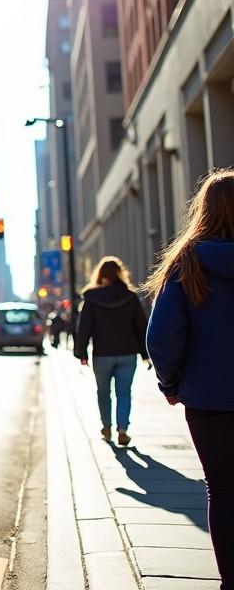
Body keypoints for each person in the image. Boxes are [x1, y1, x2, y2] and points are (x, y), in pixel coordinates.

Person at [144, 168, 234, 590]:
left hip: (208, 398)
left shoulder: (188, 262)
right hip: (207, 396)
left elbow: (161, 337)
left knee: (222, 487)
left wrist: (171, 384)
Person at [74, 256, 150, 447]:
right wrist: (145, 354)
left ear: (100, 274)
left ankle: (106, 427)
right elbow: (141, 327)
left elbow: (84, 328)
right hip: (127, 353)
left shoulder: (91, 298)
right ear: (119, 274)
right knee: (124, 393)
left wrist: (81, 353)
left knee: (103, 392)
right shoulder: (130, 297)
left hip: (102, 354)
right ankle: (123, 430)